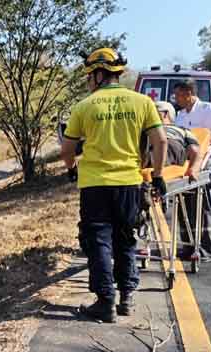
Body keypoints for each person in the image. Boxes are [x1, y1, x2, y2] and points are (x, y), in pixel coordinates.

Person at [62, 47, 168, 323]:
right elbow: (161, 141)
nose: (88, 81)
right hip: (129, 184)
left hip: (95, 186)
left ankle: (105, 301)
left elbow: (67, 149)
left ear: (98, 74)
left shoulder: (84, 106)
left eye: (89, 76)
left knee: (98, 241)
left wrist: (72, 169)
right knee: (125, 239)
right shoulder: (142, 102)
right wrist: (157, 176)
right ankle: (127, 299)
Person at [172, 78, 211, 262]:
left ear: (189, 94)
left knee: (202, 207)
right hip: (184, 165)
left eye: (178, 95)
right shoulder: (180, 115)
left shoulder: (206, 109)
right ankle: (188, 247)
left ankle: (207, 249)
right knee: (184, 206)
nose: (175, 98)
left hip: (202, 164)